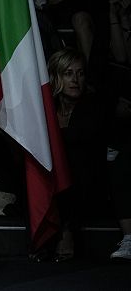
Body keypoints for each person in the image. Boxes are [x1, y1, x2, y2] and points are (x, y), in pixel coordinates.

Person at [46, 48, 107, 261]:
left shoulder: (92, 107)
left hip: (87, 180)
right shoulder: (47, 108)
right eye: (68, 73)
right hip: (54, 178)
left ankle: (66, 230)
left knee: (73, 161)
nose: (75, 80)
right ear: (56, 76)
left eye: (80, 73)